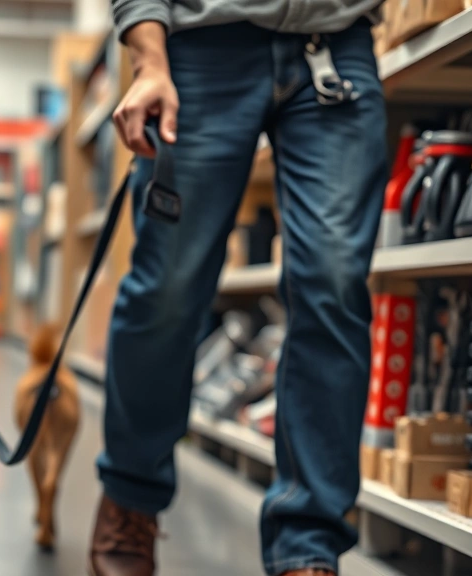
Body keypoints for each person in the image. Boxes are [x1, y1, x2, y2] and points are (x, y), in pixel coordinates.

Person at [90, 2, 387, 576]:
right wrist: (148, 58)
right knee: (167, 290)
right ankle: (130, 498)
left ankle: (309, 545)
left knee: (334, 283)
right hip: (200, 46)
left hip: (334, 43)